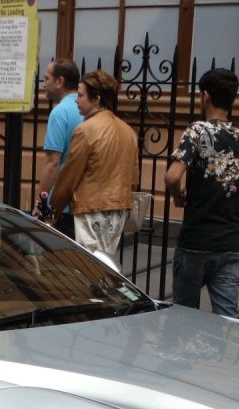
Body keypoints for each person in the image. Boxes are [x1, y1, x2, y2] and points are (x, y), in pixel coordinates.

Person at [163, 68, 239, 317]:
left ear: (205, 95)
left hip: (197, 238)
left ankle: (183, 356)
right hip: (232, 240)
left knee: (184, 317)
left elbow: (172, 176)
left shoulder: (198, 131)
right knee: (227, 319)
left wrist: (177, 195)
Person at [49, 69, 138, 268]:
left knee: (87, 268)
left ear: (96, 98)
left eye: (80, 96)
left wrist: (52, 211)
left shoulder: (86, 129)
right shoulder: (128, 131)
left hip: (90, 209)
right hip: (118, 208)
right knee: (105, 263)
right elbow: (133, 177)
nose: (76, 100)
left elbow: (69, 177)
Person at [35, 58, 81, 237]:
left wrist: (42, 203)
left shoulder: (59, 112)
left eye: (46, 79)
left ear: (59, 81)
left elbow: (52, 163)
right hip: (85, 202)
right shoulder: (88, 108)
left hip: (63, 205)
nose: (43, 84)